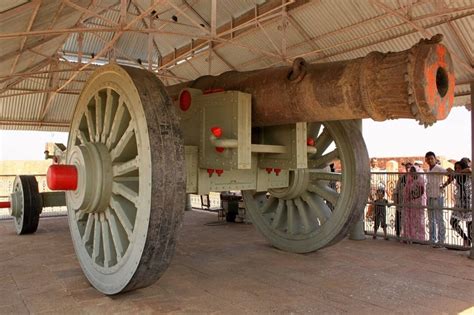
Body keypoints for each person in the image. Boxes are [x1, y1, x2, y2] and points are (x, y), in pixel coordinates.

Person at [445, 160, 472, 247]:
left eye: (459, 168)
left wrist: (457, 172)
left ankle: (470, 245)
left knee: (470, 226)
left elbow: (469, 170)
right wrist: (442, 186)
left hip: (469, 203)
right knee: (453, 222)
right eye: (456, 168)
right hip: (459, 203)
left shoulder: (469, 175)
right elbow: (449, 175)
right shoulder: (457, 176)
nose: (457, 169)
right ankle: (465, 239)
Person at [425, 151, 447, 247]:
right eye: (428, 159)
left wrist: (444, 185)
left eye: (431, 158)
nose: (430, 160)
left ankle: (441, 240)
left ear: (435, 159)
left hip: (438, 196)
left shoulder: (439, 168)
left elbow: (450, 175)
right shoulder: (429, 170)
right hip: (430, 196)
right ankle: (432, 239)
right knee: (431, 220)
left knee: (439, 219)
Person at [402, 165, 426, 242]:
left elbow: (421, 191)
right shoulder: (409, 180)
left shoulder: (420, 180)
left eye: (413, 171)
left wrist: (413, 196)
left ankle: (418, 237)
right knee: (410, 219)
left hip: (418, 203)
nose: (412, 172)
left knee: (418, 220)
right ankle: (409, 236)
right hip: (409, 203)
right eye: (411, 171)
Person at [393, 161, 413, 238]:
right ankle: (398, 233)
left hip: (410, 202)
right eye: (407, 168)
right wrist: (396, 199)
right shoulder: (402, 178)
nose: (408, 169)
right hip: (401, 201)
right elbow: (397, 189)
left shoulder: (414, 178)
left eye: (410, 168)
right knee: (399, 217)